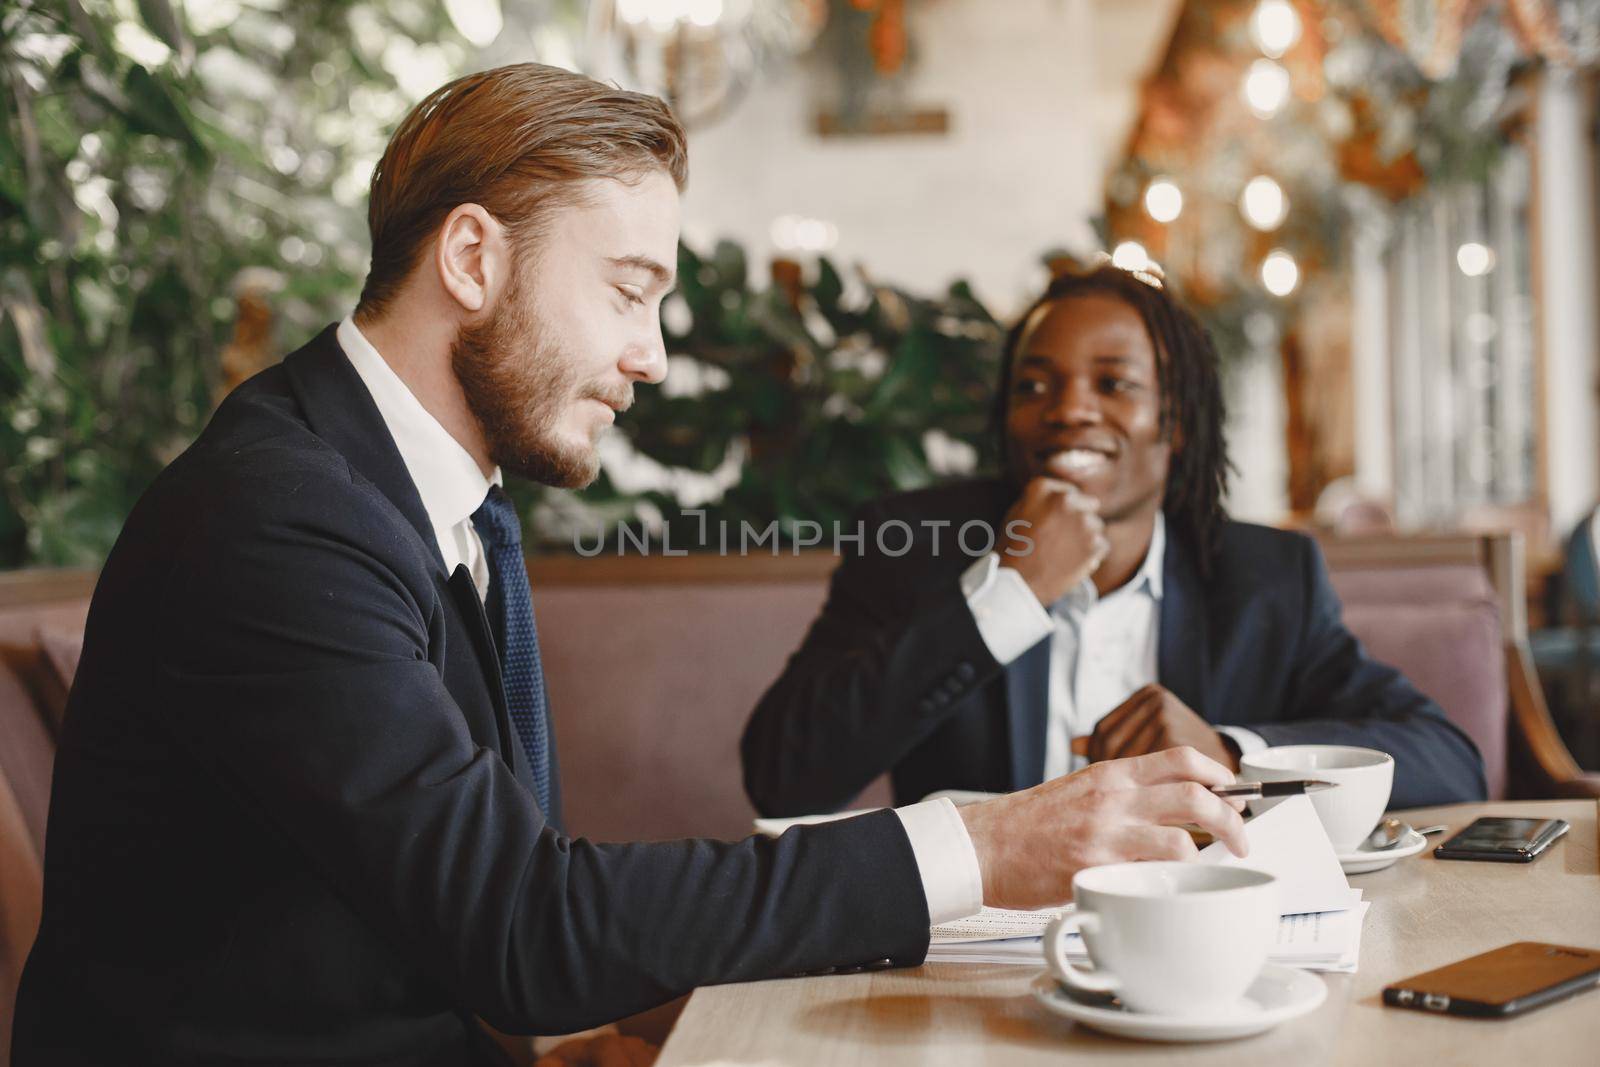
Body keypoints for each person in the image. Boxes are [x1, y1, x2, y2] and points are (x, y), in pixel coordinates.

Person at [13, 67, 1249, 1066]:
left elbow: (472, 905)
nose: (650, 356)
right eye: (627, 291)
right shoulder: (276, 521)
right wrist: (981, 846)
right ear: (473, 260)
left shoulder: (412, 496)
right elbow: (519, 921)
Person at [741, 262, 1487, 820]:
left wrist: (1227, 754)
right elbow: (783, 772)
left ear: (1177, 421)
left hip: (1197, 928)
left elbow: (1449, 762)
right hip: (970, 948)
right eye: (1034, 387)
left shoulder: (1265, 579)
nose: (1067, 410)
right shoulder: (917, 544)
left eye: (1114, 383)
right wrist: (1010, 591)